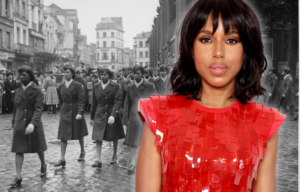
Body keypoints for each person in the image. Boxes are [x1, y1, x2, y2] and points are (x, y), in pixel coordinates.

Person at [136, 0, 286, 191]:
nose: (218, 52)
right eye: (206, 39)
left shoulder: (265, 124)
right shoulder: (157, 116)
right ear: (191, 48)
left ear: (246, 50)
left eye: (231, 40)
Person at [10, 65, 47, 187]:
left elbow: (39, 108)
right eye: (19, 75)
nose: (21, 77)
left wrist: (33, 123)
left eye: (24, 75)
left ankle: (43, 164)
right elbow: (16, 108)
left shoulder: (37, 91)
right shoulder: (18, 90)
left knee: (38, 147)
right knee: (18, 149)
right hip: (20, 123)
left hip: (33, 123)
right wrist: (14, 121)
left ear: (30, 76)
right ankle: (18, 176)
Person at [123, 66, 157, 174]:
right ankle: (132, 163)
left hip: (146, 116)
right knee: (133, 141)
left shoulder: (150, 86)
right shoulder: (130, 87)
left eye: (138, 73)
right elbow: (127, 103)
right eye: (134, 73)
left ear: (142, 74)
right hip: (134, 115)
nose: (136, 75)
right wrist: (126, 119)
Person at [90, 68, 125, 168]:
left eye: (105, 74)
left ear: (109, 76)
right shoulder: (96, 86)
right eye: (101, 74)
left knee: (114, 135)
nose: (103, 76)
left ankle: (114, 155)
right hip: (100, 113)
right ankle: (98, 159)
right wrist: (92, 117)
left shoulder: (115, 86)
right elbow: (94, 103)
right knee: (98, 136)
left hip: (111, 112)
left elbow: (118, 101)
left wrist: (113, 115)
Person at [54, 67, 88, 167]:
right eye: (65, 72)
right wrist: (62, 109)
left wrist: (80, 112)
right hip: (65, 111)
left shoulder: (78, 85)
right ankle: (62, 158)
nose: (66, 74)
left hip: (75, 111)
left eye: (68, 72)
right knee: (63, 135)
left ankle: (82, 151)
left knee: (79, 132)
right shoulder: (61, 86)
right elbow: (61, 100)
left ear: (72, 74)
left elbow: (81, 100)